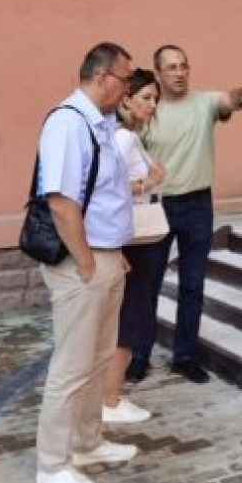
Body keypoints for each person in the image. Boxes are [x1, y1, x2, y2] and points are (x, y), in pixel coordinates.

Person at [34, 42, 140, 483]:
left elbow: (106, 196)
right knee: (71, 367)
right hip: (82, 262)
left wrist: (115, 252)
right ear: (102, 77)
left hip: (105, 256)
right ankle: (52, 465)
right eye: (126, 79)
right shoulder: (68, 123)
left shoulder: (102, 124)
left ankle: (87, 442)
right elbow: (61, 202)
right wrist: (87, 262)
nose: (129, 89)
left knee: (97, 360)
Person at [131, 44, 242, 384]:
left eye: (183, 66)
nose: (179, 73)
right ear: (158, 73)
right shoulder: (148, 109)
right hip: (157, 206)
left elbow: (230, 99)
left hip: (197, 206)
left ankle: (185, 357)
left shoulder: (205, 103)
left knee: (192, 285)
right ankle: (138, 357)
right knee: (147, 285)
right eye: (171, 67)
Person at [102, 69, 166, 424]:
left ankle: (110, 396)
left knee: (127, 318)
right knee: (131, 320)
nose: (152, 105)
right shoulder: (124, 138)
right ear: (125, 99)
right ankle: (111, 400)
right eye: (145, 97)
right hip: (136, 241)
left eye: (155, 99)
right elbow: (108, 190)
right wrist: (148, 183)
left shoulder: (126, 136)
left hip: (133, 239)